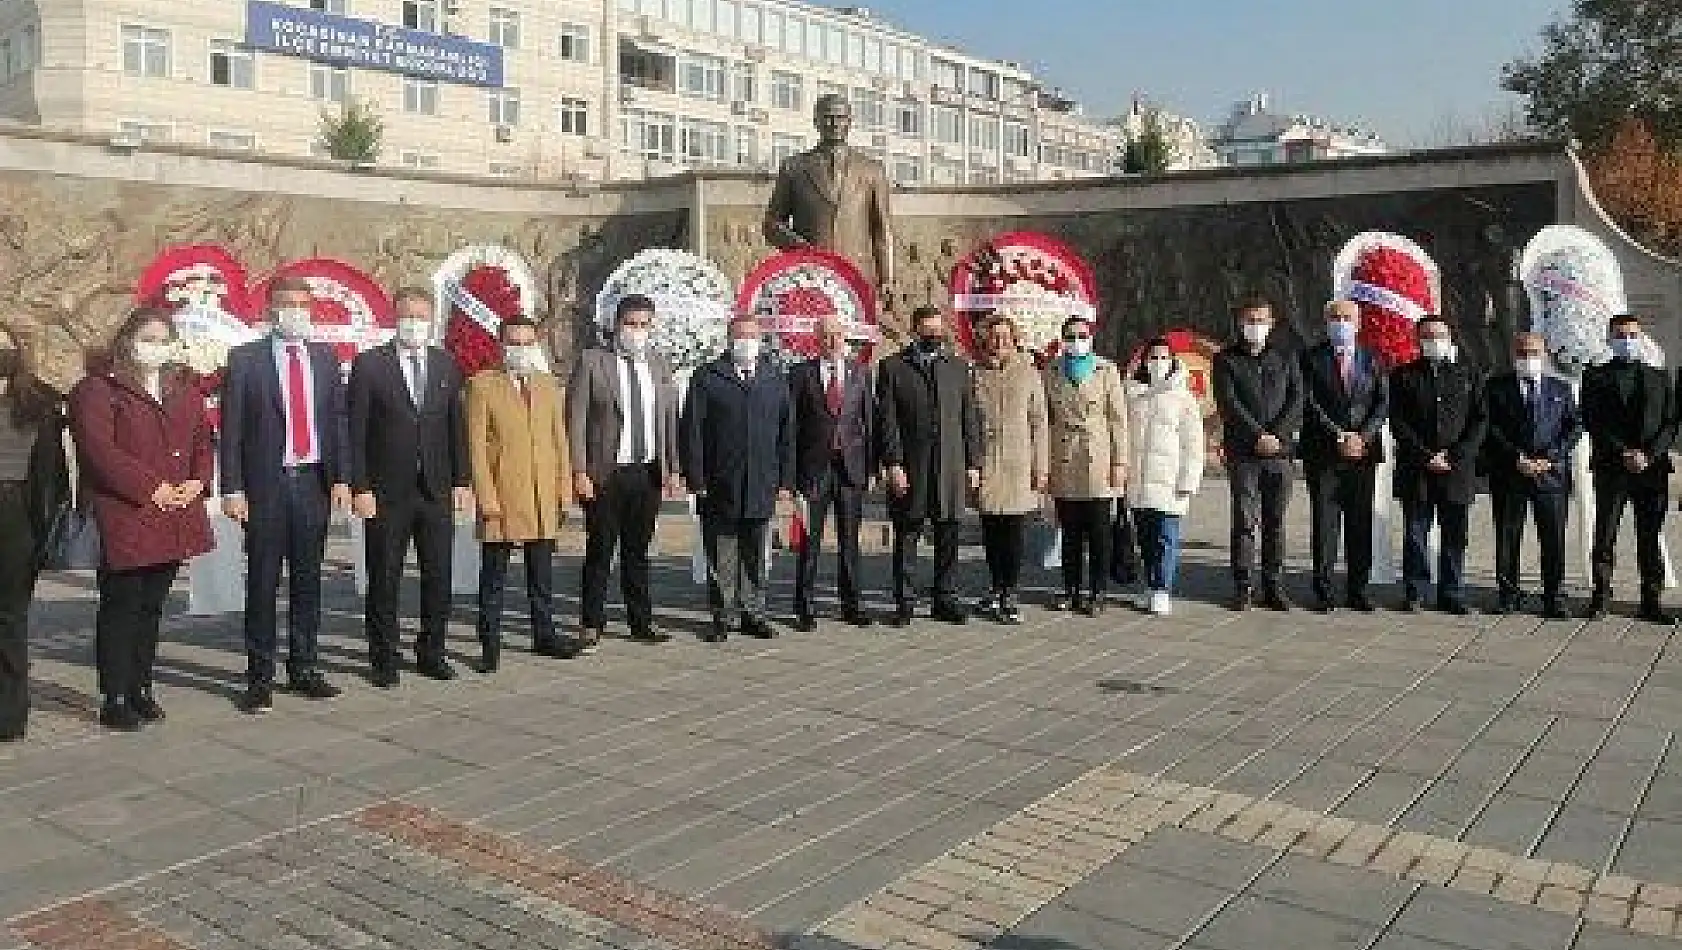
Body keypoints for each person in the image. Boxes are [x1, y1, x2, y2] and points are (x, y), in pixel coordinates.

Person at [69, 308, 214, 730]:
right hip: (126, 512)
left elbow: (202, 441)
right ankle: (114, 695)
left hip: (174, 513)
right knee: (122, 604)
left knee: (153, 606)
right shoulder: (98, 390)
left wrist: (198, 480)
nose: (155, 345)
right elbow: (101, 452)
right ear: (128, 340)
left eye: (163, 337)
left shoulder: (183, 389)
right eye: (147, 337)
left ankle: (141, 686)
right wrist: (149, 487)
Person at [219, 277, 349, 714]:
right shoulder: (246, 361)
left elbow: (338, 422)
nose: (295, 311)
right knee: (263, 581)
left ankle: (304, 666)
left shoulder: (326, 358)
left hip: (313, 481)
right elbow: (232, 430)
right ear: (270, 310)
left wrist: (342, 478)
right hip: (266, 484)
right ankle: (259, 677)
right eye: (286, 304)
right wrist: (233, 488)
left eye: (302, 304)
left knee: (308, 580)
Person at [348, 288, 472, 687]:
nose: (415, 324)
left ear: (432, 320)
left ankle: (431, 651)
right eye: (408, 316)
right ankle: (383, 657)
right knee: (385, 577)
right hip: (386, 492)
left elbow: (457, 427)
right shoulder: (370, 366)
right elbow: (356, 430)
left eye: (422, 316)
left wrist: (461, 480)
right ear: (395, 318)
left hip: (435, 489)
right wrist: (360, 486)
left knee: (438, 575)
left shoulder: (445, 364)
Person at [567, 294, 683, 646]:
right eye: (631, 324)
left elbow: (668, 420)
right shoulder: (593, 362)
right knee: (601, 549)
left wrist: (672, 467)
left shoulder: (659, 365)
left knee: (638, 551)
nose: (637, 331)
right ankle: (592, 622)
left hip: (646, 472)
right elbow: (576, 420)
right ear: (616, 324)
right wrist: (579, 471)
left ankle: (640, 621)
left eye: (644, 324)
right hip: (606, 472)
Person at [466, 316, 574, 672]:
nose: (521, 349)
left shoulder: (547, 385)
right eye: (514, 342)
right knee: (494, 575)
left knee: (541, 574)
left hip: (541, 495)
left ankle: (545, 634)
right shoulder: (483, 386)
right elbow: (477, 448)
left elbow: (560, 441)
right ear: (501, 344)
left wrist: (563, 490)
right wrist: (486, 497)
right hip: (503, 494)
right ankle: (489, 642)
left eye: (528, 342)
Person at [682, 315, 794, 642]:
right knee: (721, 554)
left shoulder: (774, 378)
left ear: (760, 340)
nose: (746, 341)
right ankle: (722, 615)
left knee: (755, 554)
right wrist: (696, 478)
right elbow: (693, 432)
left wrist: (786, 481)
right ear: (729, 340)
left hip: (761, 480)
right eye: (740, 336)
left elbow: (787, 434)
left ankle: (753, 613)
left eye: (752, 336)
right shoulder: (707, 377)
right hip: (719, 482)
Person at [877, 306, 981, 627]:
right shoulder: (893, 368)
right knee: (907, 533)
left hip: (949, 465)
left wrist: (973, 463)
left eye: (939, 331)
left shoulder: (959, 368)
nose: (934, 337)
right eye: (928, 331)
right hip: (912, 466)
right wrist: (893, 463)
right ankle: (905, 600)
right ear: (915, 331)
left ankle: (944, 598)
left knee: (948, 532)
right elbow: (887, 421)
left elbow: (969, 418)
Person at [1387, 316, 1487, 615]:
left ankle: (1452, 592)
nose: (1434, 340)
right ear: (1418, 340)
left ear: (1450, 337)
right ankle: (1415, 590)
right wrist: (1425, 456)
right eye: (1428, 336)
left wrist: (1455, 456)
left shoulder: (1468, 374)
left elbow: (1479, 421)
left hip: (1457, 470)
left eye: (1440, 335)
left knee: (1455, 534)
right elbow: (1398, 421)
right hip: (1417, 468)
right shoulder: (1404, 375)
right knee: (1416, 532)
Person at [1581, 313, 1677, 622]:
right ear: (1610, 339)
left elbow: (1670, 422)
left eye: (1633, 335)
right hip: (1612, 466)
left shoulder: (1659, 377)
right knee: (1605, 533)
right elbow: (1593, 420)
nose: (1627, 341)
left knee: (1649, 536)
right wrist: (1624, 452)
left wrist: (1649, 455)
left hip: (1652, 468)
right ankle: (1601, 595)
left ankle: (1651, 598)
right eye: (1621, 335)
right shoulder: (1595, 376)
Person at [1212, 296, 1303, 611]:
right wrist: (1257, 435)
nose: (1256, 326)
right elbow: (1228, 403)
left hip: (1280, 453)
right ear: (1240, 323)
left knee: (1275, 521)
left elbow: (1297, 398)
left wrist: (1276, 435)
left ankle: (1273, 585)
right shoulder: (1225, 359)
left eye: (1261, 320)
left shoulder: (1286, 357)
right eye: (1250, 320)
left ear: (1271, 323)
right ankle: (1242, 586)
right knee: (1245, 520)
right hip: (1244, 453)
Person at [1299, 300, 1390, 613]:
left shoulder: (1374, 358)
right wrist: (1338, 435)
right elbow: (1308, 403)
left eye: (1347, 318)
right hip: (1324, 452)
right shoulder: (1310, 358)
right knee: (1325, 524)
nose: (1341, 323)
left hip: (1363, 453)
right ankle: (1323, 590)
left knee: (1359, 523)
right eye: (1335, 318)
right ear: (1325, 323)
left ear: (1359, 323)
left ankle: (1358, 590)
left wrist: (1362, 436)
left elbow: (1382, 403)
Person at [1481, 332, 1580, 619]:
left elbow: (1573, 427)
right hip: (1510, 474)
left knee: (1553, 539)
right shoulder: (1496, 387)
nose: (1528, 358)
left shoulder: (1560, 389)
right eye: (1522, 353)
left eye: (1534, 352)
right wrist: (1516, 457)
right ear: (1513, 355)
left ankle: (1554, 597)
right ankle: (1508, 594)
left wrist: (1549, 458)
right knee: (1508, 536)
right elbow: (1490, 427)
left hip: (1550, 477)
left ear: (1545, 355)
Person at [762, 93, 894, 303]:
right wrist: (802, 250)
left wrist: (886, 278)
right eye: (827, 117)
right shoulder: (794, 167)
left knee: (857, 335)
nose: (834, 123)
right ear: (816, 121)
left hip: (858, 277)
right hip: (810, 276)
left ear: (849, 122)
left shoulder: (872, 170)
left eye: (840, 118)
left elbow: (882, 229)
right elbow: (771, 224)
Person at [0, 340, 68, 742]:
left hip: (15, 514)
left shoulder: (37, 403)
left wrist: (44, 526)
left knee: (10, 617)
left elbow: (53, 473)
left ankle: (10, 711)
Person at [789, 315, 875, 630]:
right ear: (817, 338)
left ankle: (852, 604)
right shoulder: (801, 374)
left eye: (838, 335)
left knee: (849, 542)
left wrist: (872, 467)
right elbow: (793, 428)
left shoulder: (860, 373)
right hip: (813, 470)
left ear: (846, 337)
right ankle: (805, 607)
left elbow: (869, 424)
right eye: (827, 335)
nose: (834, 340)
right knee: (809, 543)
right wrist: (791, 475)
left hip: (850, 470)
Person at [1044, 316, 1129, 615]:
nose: (1076, 340)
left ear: (1091, 337)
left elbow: (1118, 419)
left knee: (1099, 532)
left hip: (1097, 457)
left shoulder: (1106, 370)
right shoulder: (1051, 371)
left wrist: (1120, 461)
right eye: (1070, 336)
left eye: (1082, 335)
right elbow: (1046, 420)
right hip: (1065, 455)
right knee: (1069, 532)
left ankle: (1098, 591)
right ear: (1062, 339)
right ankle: (1070, 589)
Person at [971, 316, 1047, 625]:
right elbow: (969, 422)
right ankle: (995, 586)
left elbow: (1039, 421)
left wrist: (1040, 467)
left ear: (1014, 338)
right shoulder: (975, 374)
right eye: (994, 336)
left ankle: (1010, 591)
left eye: (1006, 336)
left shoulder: (1028, 373)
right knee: (991, 532)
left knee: (1014, 533)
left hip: (1019, 463)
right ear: (986, 340)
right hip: (988, 462)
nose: (1000, 341)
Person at [1123, 338, 1205, 616]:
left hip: (1169, 483)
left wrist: (1188, 480)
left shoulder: (1183, 398)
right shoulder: (1132, 394)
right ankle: (1149, 585)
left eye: (1163, 357)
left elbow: (1193, 444)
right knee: (1144, 538)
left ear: (1172, 361)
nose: (1157, 362)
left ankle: (1162, 589)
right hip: (1138, 481)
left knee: (1166, 537)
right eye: (1152, 357)